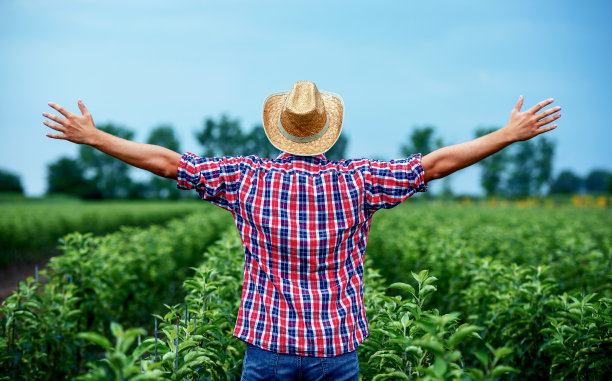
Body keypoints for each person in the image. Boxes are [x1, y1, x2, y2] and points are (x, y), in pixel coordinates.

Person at [43, 80, 561, 380]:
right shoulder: (359, 182)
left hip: (267, 350)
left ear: (281, 131)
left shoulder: (247, 178)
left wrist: (94, 137)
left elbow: (165, 162)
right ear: (326, 134)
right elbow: (435, 165)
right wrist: (509, 134)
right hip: (336, 351)